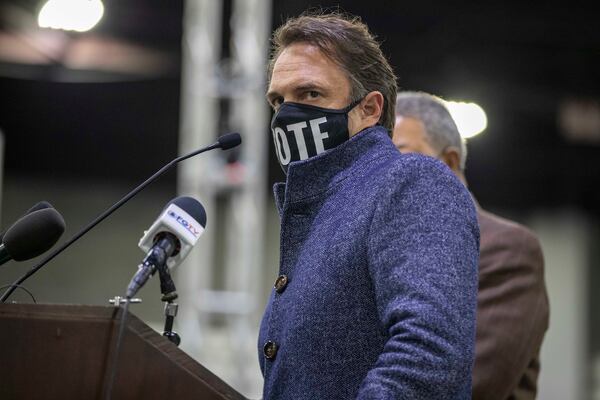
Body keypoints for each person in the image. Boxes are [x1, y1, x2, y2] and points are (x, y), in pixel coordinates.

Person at [259, 12, 480, 400]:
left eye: (310, 94)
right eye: (279, 100)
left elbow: (430, 351)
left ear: (370, 109)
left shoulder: (410, 181)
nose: (287, 114)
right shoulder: (322, 211)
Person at [393, 91, 550, 400]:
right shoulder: (383, 251)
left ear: (449, 162)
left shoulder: (506, 251)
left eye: (400, 154)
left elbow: (460, 384)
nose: (384, 174)